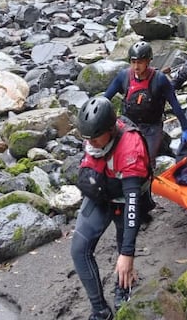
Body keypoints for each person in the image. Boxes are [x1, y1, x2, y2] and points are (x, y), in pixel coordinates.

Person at [71, 97, 151, 320]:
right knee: (79, 249)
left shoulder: (130, 146)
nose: (90, 143)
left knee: (122, 246)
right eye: (86, 138)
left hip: (126, 199)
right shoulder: (94, 139)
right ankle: (100, 310)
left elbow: (133, 201)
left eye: (95, 138)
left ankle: (123, 287)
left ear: (110, 129)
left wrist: (128, 253)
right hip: (101, 192)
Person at [104, 41, 187, 165]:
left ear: (148, 61)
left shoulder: (160, 79)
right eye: (133, 62)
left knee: (146, 162)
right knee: (120, 158)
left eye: (140, 62)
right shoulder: (124, 76)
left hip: (152, 126)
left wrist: (185, 128)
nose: (136, 67)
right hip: (128, 123)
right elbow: (105, 99)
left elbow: (175, 105)